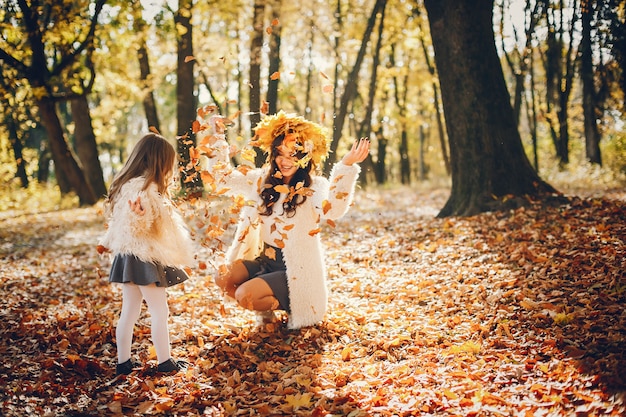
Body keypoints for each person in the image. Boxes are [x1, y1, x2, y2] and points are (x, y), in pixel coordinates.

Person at [196, 110, 369, 329]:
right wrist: (219, 137)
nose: (284, 161)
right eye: (280, 153)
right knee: (223, 277)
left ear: (304, 157)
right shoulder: (261, 180)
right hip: (265, 260)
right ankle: (266, 308)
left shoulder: (314, 187)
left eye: (292, 155)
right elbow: (222, 180)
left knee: (244, 294)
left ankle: (288, 305)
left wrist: (345, 166)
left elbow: (333, 210)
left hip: (295, 270)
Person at [99, 133, 195, 375]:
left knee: (129, 310)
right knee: (159, 310)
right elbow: (138, 226)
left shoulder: (126, 186)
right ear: (159, 162)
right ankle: (165, 362)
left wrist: (107, 243)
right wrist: (139, 216)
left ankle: (123, 363)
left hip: (126, 255)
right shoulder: (145, 188)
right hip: (143, 257)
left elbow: (117, 224)